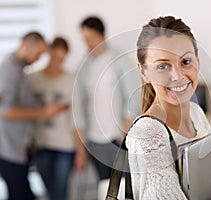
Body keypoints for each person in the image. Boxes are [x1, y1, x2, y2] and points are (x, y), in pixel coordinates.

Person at [125, 16, 211, 199]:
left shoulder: (195, 113)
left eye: (185, 62)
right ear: (144, 72)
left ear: (197, 62)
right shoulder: (147, 135)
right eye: (163, 66)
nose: (177, 76)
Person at [0, 32, 67, 200]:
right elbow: (4, 111)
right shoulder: (9, 70)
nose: (38, 59)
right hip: (8, 149)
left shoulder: (20, 70)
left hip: (18, 147)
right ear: (26, 46)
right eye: (38, 54)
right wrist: (43, 113)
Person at [78, 16, 140, 185]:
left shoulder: (120, 60)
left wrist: (124, 131)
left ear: (102, 35)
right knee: (103, 185)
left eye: (91, 38)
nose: (88, 43)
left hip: (116, 137)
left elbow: (134, 95)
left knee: (122, 185)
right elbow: (81, 102)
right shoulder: (85, 65)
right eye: (85, 39)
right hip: (94, 138)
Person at [28, 37, 86, 200]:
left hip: (64, 147)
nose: (56, 62)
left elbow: (77, 118)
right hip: (40, 144)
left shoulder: (71, 80)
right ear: (48, 53)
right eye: (54, 57)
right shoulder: (32, 79)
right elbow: (27, 114)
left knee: (60, 193)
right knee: (48, 191)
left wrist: (81, 151)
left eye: (61, 59)